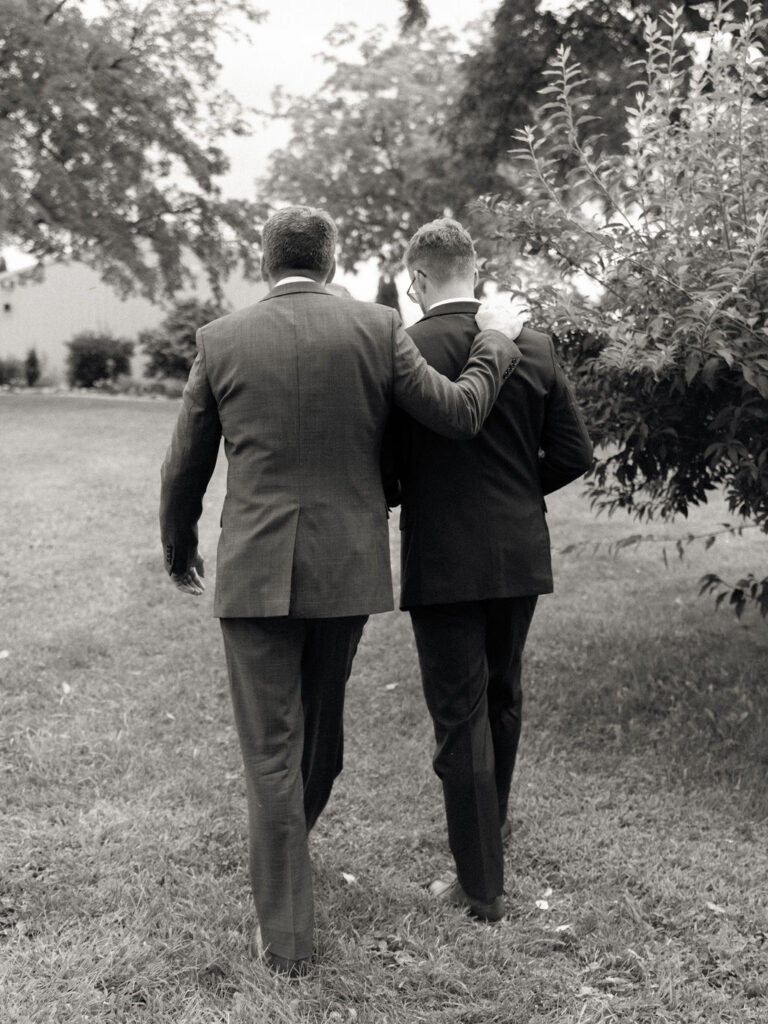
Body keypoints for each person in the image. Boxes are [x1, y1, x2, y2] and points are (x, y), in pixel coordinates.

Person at [158, 206, 524, 977]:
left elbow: (185, 461)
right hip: (347, 568)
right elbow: (458, 413)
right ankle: (288, 872)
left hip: (254, 570)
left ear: (265, 260)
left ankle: (287, 934)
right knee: (319, 736)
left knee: (273, 752)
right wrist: (494, 341)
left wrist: (179, 545)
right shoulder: (377, 327)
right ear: (330, 261)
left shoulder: (222, 338)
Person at [385, 218, 593, 923]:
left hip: (442, 555)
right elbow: (574, 453)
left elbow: (387, 467)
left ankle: (480, 887)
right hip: (517, 550)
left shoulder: (407, 348)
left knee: (459, 716)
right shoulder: (534, 344)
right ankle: (490, 830)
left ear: (417, 279)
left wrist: (415, 487)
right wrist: (516, 496)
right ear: (474, 269)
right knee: (502, 697)